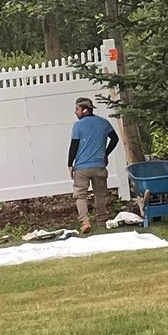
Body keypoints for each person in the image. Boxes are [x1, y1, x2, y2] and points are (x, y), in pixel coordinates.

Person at [67, 97, 120, 234]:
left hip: (82, 167)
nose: (75, 112)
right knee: (100, 194)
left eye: (77, 109)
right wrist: (105, 153)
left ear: (84, 110)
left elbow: (74, 146)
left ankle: (85, 222)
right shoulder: (103, 123)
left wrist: (70, 164)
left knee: (80, 195)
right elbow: (115, 139)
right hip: (99, 166)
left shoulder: (78, 126)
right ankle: (102, 221)